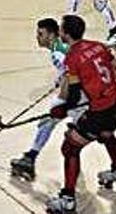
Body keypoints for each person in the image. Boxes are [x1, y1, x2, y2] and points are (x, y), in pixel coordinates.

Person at [45, 15, 116, 214]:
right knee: (107, 134)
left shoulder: (72, 58)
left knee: (70, 148)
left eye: (61, 29)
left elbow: (73, 95)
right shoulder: (98, 46)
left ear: (65, 33)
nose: (60, 31)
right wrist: (99, 91)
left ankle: (67, 200)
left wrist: (62, 109)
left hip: (100, 112)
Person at [9, 18, 87, 181]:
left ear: (51, 35)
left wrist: (62, 97)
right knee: (76, 134)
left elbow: (69, 73)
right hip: (83, 94)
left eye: (41, 34)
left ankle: (30, 159)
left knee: (48, 122)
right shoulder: (61, 47)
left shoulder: (57, 52)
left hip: (77, 96)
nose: (37, 37)